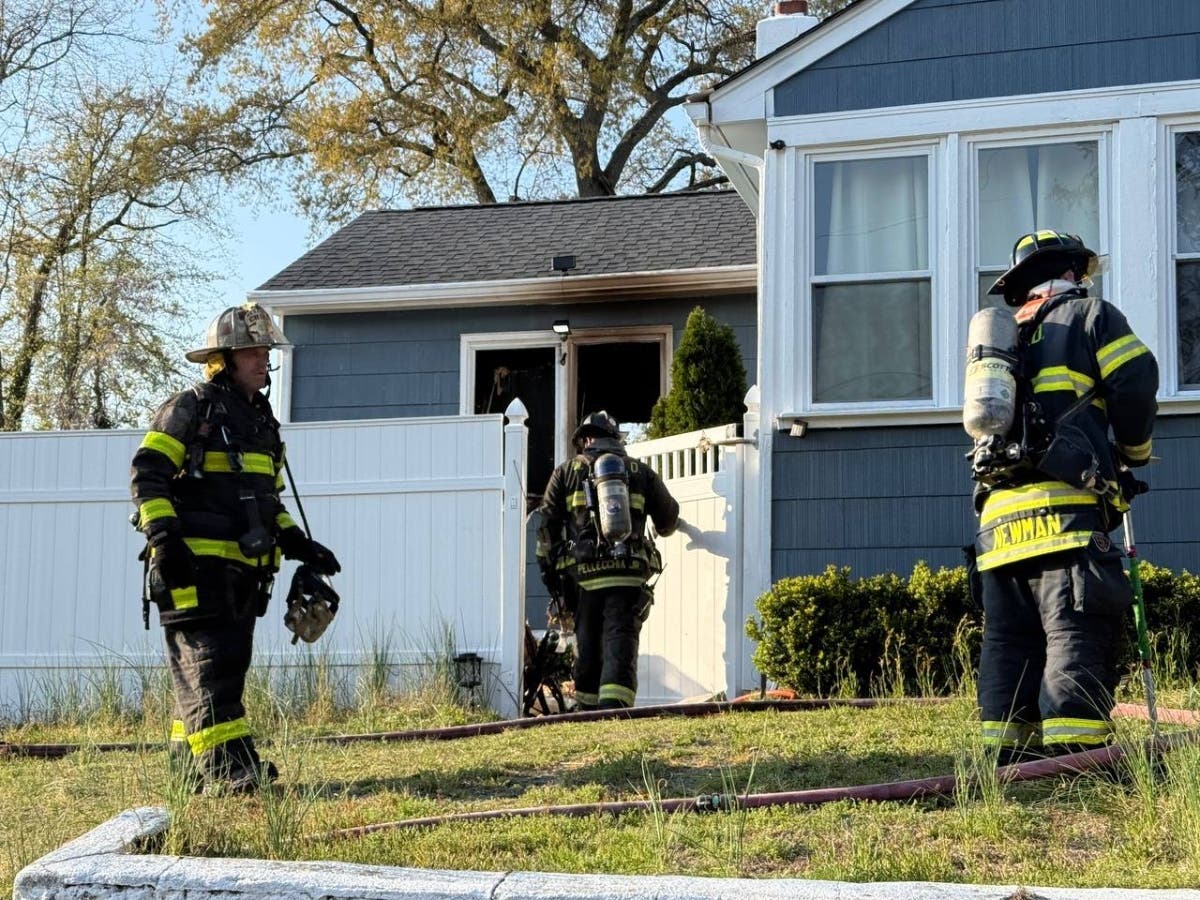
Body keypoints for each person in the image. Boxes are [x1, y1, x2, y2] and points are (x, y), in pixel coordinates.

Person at [130, 303, 340, 793]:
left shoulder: (260, 422)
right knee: (211, 667)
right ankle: (231, 771)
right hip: (191, 566)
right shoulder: (190, 407)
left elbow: (267, 499)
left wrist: (297, 542)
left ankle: (190, 775)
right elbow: (147, 474)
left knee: (215, 670)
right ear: (223, 358)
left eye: (267, 350)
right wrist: (164, 541)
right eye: (254, 350)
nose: (264, 359)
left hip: (242, 572)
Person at [970, 230, 1158, 766]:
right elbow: (1136, 380)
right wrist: (1134, 453)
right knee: (1075, 623)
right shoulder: (1091, 315)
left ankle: (1005, 757)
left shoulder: (1000, 343)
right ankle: (1078, 759)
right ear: (1073, 271)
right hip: (1067, 509)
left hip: (997, 521)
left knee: (1009, 640)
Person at [536, 411, 679, 709]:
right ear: (616, 440)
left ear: (586, 439)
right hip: (628, 574)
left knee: (587, 642)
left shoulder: (565, 472)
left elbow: (547, 528)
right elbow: (668, 519)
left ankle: (587, 708)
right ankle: (615, 707)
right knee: (620, 638)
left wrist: (551, 574)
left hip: (585, 576)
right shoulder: (641, 472)